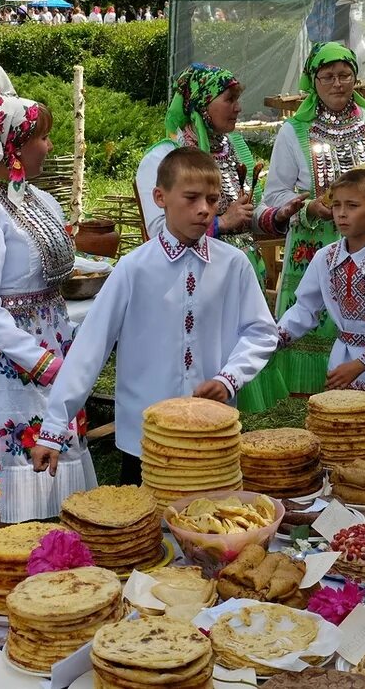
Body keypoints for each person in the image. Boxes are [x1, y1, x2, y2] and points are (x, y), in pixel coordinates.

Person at [38, 147, 278, 484]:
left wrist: (230, 378)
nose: (203, 210)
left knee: (209, 524)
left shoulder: (233, 265)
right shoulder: (133, 268)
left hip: (211, 430)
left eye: (212, 200)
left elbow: (261, 331)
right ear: (160, 197)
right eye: (191, 198)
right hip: (144, 439)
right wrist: (53, 425)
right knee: (143, 527)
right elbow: (91, 347)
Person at [0, 93, 97, 524]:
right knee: (23, 477)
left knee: (61, 460)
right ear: (8, 146)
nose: (49, 147)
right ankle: (11, 566)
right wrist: (37, 360)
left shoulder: (38, 200)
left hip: (52, 339)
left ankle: (65, 562)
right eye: (41, 138)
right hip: (14, 356)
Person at [135, 63, 304, 412]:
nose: (238, 108)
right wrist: (222, 224)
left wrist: (276, 216)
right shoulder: (163, 159)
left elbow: (242, 215)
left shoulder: (234, 150)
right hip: (191, 281)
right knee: (197, 367)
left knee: (230, 377)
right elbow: (157, 233)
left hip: (236, 276)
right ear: (200, 104)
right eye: (229, 99)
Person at [258, 41, 365, 395]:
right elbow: (274, 195)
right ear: (313, 81)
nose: (337, 84)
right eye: (327, 76)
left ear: (355, 78)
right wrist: (308, 207)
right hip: (314, 249)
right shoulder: (294, 131)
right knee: (310, 320)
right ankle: (323, 415)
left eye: (345, 75)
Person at [277, 168, 365, 409]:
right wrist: (271, 340)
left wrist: (361, 364)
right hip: (341, 369)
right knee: (343, 439)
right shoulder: (325, 258)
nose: (342, 214)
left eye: (352, 206)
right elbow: (304, 309)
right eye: (336, 206)